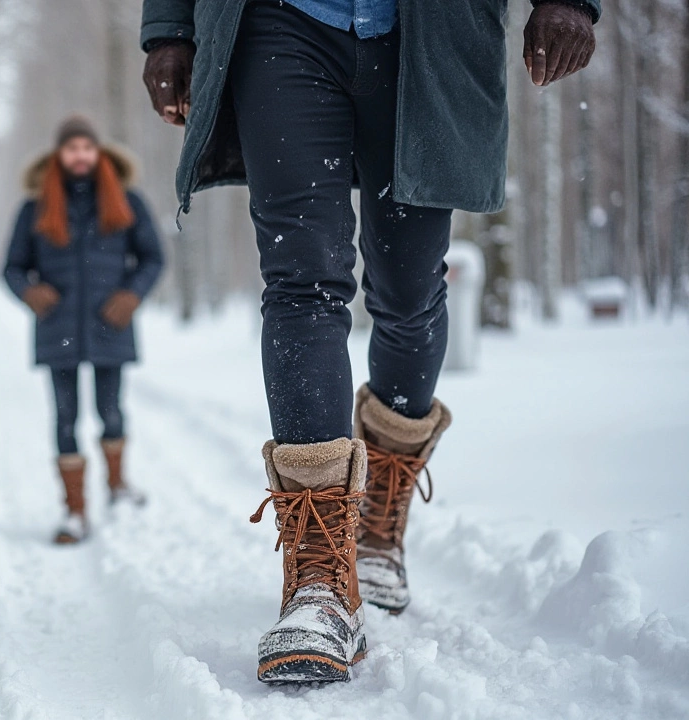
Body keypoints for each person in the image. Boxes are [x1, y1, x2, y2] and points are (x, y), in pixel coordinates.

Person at [139, 0, 599, 684]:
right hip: (281, 24)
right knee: (303, 280)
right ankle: (320, 581)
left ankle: (379, 514)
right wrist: (169, 29)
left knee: (410, 296)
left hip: (428, 33)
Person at [3, 116, 165, 545]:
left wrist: (131, 296)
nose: (80, 156)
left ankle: (117, 486)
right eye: (71, 148)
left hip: (111, 323)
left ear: (98, 153)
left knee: (111, 412)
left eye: (86, 148)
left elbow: (153, 258)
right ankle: (74, 512)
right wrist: (30, 292)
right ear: (59, 155)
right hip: (57, 327)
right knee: (65, 419)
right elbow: (12, 267)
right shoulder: (33, 207)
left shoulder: (127, 200)